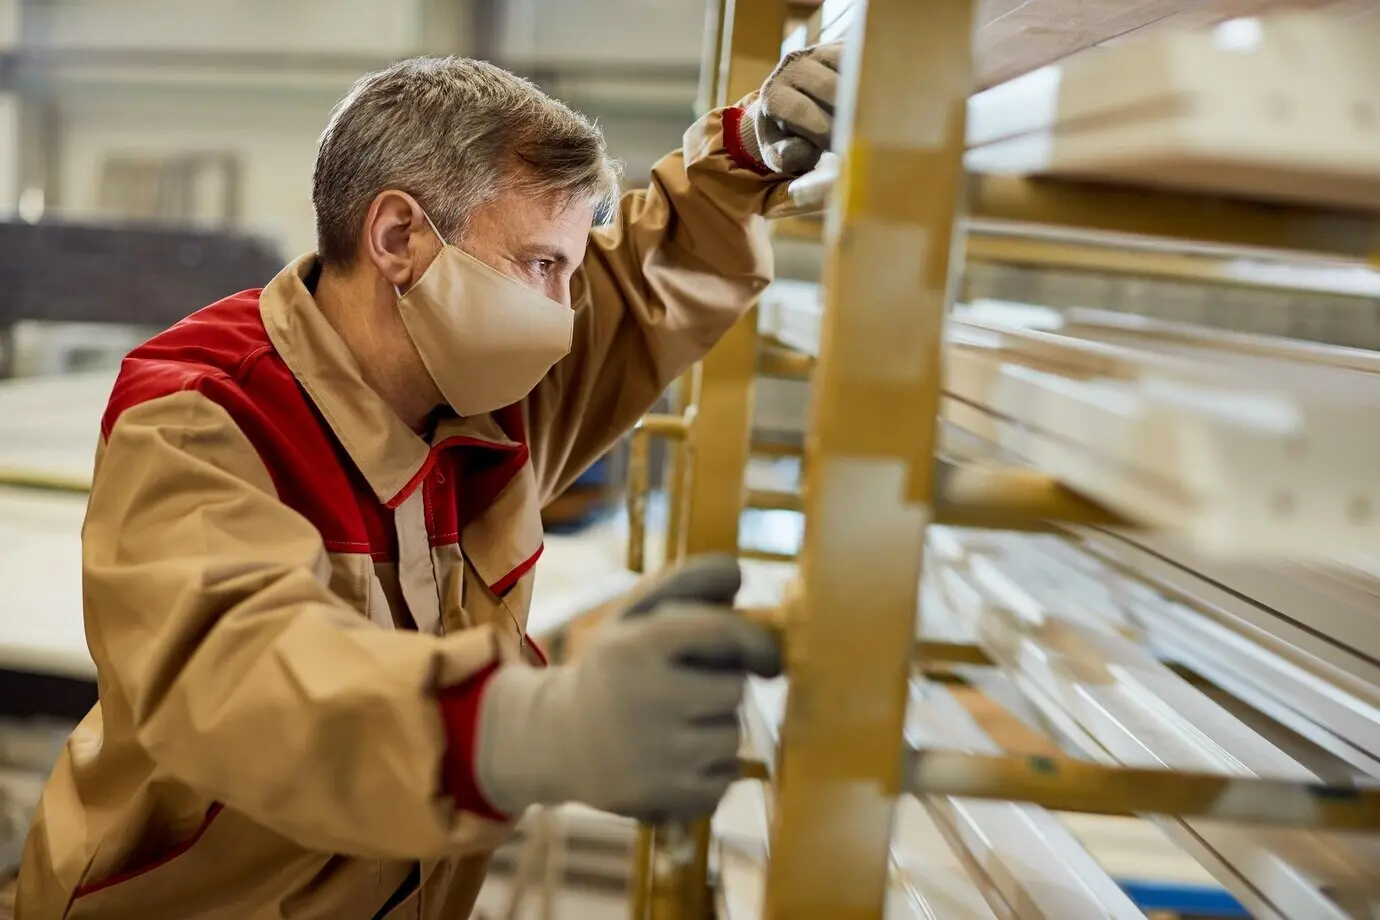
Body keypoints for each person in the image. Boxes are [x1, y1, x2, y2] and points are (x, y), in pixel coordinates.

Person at [16, 43, 841, 920]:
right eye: (541, 265)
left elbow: (644, 274)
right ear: (400, 237)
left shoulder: (491, 384)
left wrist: (753, 147)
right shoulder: (198, 419)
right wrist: (530, 730)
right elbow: (242, 677)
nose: (566, 313)